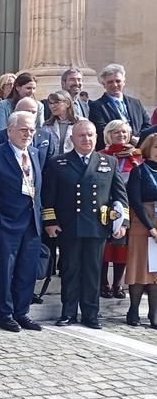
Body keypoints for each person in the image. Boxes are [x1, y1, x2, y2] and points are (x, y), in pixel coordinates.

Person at [42, 120, 127, 329]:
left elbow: (120, 196)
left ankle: (91, 314)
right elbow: (48, 196)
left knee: (92, 272)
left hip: (97, 226)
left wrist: (122, 223)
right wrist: (50, 221)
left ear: (96, 137)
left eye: (90, 135)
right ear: (72, 139)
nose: (86, 139)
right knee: (70, 270)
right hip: (69, 226)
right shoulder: (58, 162)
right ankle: (68, 312)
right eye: (81, 135)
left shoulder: (109, 162)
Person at [0, 111, 44, 332]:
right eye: (23, 130)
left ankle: (22, 312)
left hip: (31, 222)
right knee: (5, 270)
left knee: (27, 270)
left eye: (31, 130)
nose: (28, 134)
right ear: (9, 130)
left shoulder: (35, 153)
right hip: (6, 222)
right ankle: (5, 313)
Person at [97, 118, 141, 299]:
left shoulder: (137, 156)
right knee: (105, 247)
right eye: (116, 132)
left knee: (122, 246)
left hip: (129, 207)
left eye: (124, 132)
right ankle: (103, 283)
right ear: (108, 135)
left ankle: (118, 284)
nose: (121, 135)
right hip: (105, 207)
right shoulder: (100, 155)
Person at [125, 132, 157, 327]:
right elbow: (135, 202)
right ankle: (133, 310)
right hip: (142, 222)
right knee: (139, 268)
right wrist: (151, 228)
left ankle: (154, 313)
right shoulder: (138, 171)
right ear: (148, 149)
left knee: (156, 271)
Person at [89, 63, 148, 138]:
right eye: (110, 82)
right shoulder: (96, 106)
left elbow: (147, 125)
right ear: (104, 84)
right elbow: (102, 130)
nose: (115, 85)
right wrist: (130, 139)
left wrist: (139, 140)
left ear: (124, 82)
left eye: (118, 81)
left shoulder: (136, 103)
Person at [42, 90, 79, 156]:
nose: (52, 106)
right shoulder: (47, 125)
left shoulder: (81, 123)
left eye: (56, 103)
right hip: (53, 161)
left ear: (67, 103)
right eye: (50, 103)